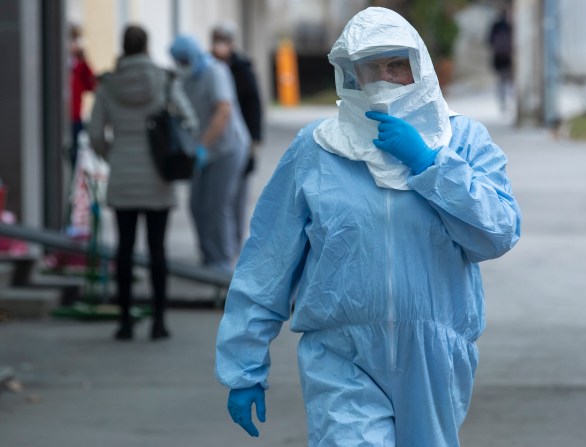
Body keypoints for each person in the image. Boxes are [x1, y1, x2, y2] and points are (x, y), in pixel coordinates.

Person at [216, 7, 521, 446]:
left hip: (434, 357)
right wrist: (243, 363)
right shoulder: (318, 149)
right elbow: (268, 261)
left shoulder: (464, 141)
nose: (383, 81)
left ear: (419, 67)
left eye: (395, 65)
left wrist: (430, 165)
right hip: (341, 356)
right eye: (369, 69)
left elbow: (498, 232)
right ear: (349, 75)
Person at [88, 25, 198, 340]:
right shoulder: (164, 81)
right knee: (157, 249)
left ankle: (124, 322)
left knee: (124, 249)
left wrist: (113, 156)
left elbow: (95, 133)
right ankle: (159, 322)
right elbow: (190, 120)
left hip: (122, 174)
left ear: (123, 47)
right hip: (158, 177)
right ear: (147, 46)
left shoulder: (108, 85)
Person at [170, 35, 250, 272]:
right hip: (202, 150)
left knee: (217, 205)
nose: (182, 64)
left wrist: (203, 144)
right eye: (178, 60)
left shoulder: (215, 72)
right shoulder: (186, 79)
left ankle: (223, 259)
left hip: (227, 148)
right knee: (197, 205)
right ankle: (208, 257)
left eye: (185, 59)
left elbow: (223, 111)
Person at [210, 22, 264, 244]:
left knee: (238, 196)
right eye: (216, 39)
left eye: (223, 40)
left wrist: (254, 143)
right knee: (218, 198)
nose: (219, 45)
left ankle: (235, 242)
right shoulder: (208, 66)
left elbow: (254, 106)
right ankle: (221, 242)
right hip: (216, 139)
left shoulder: (242, 69)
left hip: (240, 140)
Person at [69, 23, 97, 169]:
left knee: (76, 157)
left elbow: (92, 85)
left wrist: (84, 61)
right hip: (63, 118)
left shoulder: (79, 65)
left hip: (75, 117)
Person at [488, 8, 514, 112]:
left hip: (498, 55)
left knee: (500, 79)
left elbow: (489, 40)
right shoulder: (509, 26)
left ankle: (502, 99)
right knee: (508, 78)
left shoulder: (495, 26)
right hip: (507, 56)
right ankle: (509, 98)